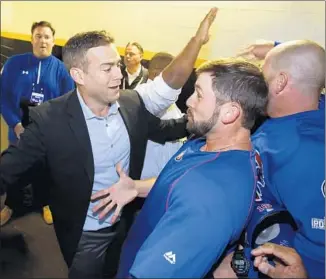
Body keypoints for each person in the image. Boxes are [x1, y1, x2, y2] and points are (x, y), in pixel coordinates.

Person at [0, 7, 218, 279]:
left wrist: (203, 117)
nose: (118, 74)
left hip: (125, 223)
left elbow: (166, 121)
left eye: (117, 64)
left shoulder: (130, 102)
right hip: (84, 233)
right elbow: (9, 167)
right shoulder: (49, 120)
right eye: (107, 68)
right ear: (79, 76)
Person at [92, 57, 269, 278]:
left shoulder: (211, 196)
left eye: (199, 94)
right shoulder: (206, 143)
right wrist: (137, 188)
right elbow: (180, 183)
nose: (189, 102)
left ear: (230, 113)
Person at [215, 40, 325, 279]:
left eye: (264, 74)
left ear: (281, 81)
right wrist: (276, 46)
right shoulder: (313, 111)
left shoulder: (303, 154)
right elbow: (311, 60)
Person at [0, 21, 75, 226]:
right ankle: (10, 205)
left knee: (46, 168)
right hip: (18, 127)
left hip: (47, 129)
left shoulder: (61, 70)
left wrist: (53, 129)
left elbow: (67, 102)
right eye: (38, 36)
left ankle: (46, 203)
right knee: (14, 167)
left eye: (47, 36)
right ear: (31, 39)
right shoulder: (14, 63)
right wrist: (15, 124)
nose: (42, 40)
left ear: (53, 40)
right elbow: (3, 97)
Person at [140, 52, 185, 180]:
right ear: (157, 74)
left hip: (161, 180)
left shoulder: (169, 102)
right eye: (177, 75)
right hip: (145, 183)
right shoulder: (145, 100)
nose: (181, 81)